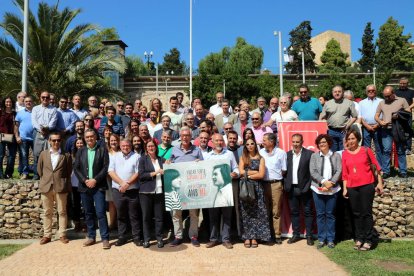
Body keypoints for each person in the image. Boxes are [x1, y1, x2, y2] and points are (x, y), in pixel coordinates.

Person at [342, 129, 384, 251]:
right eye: (348, 139)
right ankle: (359, 238)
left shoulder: (366, 150)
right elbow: (345, 173)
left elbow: (377, 167)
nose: (351, 141)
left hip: (367, 185)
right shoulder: (345, 154)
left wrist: (380, 183)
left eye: (353, 138)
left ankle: (368, 239)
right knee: (356, 214)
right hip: (351, 187)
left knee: (366, 213)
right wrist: (345, 188)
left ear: (358, 139)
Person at [74, 129, 110, 249]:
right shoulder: (81, 151)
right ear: (84, 138)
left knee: (100, 212)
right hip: (85, 187)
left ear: (95, 137)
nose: (90, 139)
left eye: (91, 136)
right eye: (87, 137)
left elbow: (105, 167)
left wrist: (95, 180)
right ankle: (91, 236)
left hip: (98, 186)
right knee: (88, 213)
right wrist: (85, 180)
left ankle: (105, 238)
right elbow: (76, 169)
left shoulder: (102, 150)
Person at [169, 127, 204, 247]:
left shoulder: (197, 150)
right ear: (180, 136)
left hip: (193, 187)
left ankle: (193, 236)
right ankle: (178, 236)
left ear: (191, 137)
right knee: (176, 213)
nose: (185, 137)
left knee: (194, 213)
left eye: (187, 135)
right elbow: (169, 165)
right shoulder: (174, 150)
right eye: (183, 135)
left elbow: (203, 167)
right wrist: (168, 163)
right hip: (177, 187)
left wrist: (200, 163)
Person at [205, 133, 239, 249]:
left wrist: (235, 173)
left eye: (221, 141)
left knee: (227, 216)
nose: (219, 143)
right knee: (213, 216)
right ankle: (213, 239)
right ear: (212, 142)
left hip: (227, 189)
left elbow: (235, 167)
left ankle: (226, 239)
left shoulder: (229, 154)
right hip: (212, 191)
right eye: (217, 141)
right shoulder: (207, 156)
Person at [37, 132, 72, 245]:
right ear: (49, 141)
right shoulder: (43, 154)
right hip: (46, 186)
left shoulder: (66, 155)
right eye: (54, 140)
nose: (56, 142)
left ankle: (62, 234)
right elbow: (39, 170)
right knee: (47, 212)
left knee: (62, 212)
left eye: (58, 140)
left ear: (61, 141)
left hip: (60, 187)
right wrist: (46, 179)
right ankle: (47, 235)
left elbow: (68, 171)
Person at [310, 134, 342, 249]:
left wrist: (330, 184)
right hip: (317, 190)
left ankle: (330, 239)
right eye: (320, 143)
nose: (321, 144)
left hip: (332, 190)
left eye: (324, 142)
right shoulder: (314, 156)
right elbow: (312, 172)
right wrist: (324, 182)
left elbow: (339, 171)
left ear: (329, 143)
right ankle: (321, 239)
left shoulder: (336, 155)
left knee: (330, 215)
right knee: (320, 215)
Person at [108, 138, 142, 247]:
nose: (125, 147)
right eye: (123, 146)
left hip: (132, 190)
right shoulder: (115, 156)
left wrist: (127, 183)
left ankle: (136, 237)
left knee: (134, 215)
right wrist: (122, 183)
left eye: (127, 145)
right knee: (121, 214)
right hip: (118, 190)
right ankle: (122, 237)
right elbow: (111, 171)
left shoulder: (136, 156)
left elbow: (138, 172)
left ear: (130, 146)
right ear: (120, 146)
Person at [239, 138, 271, 248]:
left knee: (257, 213)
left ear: (255, 145)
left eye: (252, 143)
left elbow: (261, 175)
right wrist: (253, 173)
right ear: (245, 146)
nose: (250, 146)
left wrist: (247, 175)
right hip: (246, 188)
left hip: (257, 188)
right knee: (246, 213)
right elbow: (241, 172)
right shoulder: (243, 157)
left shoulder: (261, 158)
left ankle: (255, 237)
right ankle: (247, 237)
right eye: (247, 144)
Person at [284, 133, 314, 245]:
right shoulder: (287, 155)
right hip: (291, 188)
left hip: (305, 189)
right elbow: (284, 172)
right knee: (294, 212)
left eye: (298, 142)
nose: (295, 144)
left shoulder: (309, 154)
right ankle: (296, 234)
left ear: (302, 142)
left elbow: (312, 173)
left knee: (308, 212)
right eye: (294, 142)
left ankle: (309, 236)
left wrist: (308, 187)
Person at [375, 86, 411, 178]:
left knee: (400, 150)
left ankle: (403, 171)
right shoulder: (381, 103)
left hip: (399, 129)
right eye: (385, 96)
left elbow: (408, 112)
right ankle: (386, 171)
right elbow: (376, 115)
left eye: (388, 96)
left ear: (393, 93)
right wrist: (380, 121)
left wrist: (399, 115)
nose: (386, 98)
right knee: (386, 150)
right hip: (386, 130)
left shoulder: (402, 100)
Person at [259, 133, 286, 244]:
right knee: (265, 210)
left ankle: (277, 235)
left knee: (276, 211)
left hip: (276, 185)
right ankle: (266, 234)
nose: (262, 142)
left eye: (264, 140)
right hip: (263, 184)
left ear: (272, 141)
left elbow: (284, 170)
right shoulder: (261, 152)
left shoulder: (281, 153)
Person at [139, 139, 166, 248]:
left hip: (159, 191)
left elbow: (169, 168)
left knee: (159, 216)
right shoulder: (143, 159)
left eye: (153, 146)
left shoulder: (161, 159)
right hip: (146, 192)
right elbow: (141, 175)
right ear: (146, 148)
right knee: (146, 217)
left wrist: (168, 164)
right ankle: (147, 239)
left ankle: (159, 238)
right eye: (149, 146)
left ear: (156, 147)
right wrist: (155, 172)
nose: (151, 148)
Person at [319, 85, 358, 151]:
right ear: (332, 93)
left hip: (344, 131)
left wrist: (347, 125)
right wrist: (325, 126)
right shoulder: (327, 104)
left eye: (339, 91)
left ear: (342, 92)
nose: (337, 93)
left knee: (345, 151)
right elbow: (321, 117)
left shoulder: (349, 103)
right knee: (333, 152)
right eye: (335, 92)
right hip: (331, 131)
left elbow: (355, 117)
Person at [32, 91, 58, 180]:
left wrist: (47, 129)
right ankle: (36, 174)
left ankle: (47, 175)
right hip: (38, 133)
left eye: (47, 97)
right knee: (36, 154)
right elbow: (34, 121)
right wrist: (41, 130)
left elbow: (53, 122)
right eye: (43, 97)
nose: (45, 99)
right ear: (40, 97)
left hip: (49, 133)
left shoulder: (54, 109)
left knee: (49, 154)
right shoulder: (35, 108)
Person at [359, 84, 383, 167]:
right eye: (369, 91)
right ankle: (368, 166)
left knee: (379, 148)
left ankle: (380, 167)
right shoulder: (362, 103)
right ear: (366, 92)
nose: (371, 92)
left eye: (373, 90)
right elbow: (360, 116)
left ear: (376, 91)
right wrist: (367, 126)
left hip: (378, 127)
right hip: (366, 128)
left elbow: (384, 115)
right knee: (366, 148)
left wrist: (377, 124)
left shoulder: (381, 101)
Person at [14, 96, 34, 180]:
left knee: (37, 156)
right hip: (23, 138)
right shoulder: (20, 113)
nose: (28, 103)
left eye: (29, 101)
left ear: (32, 102)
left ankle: (37, 173)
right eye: (26, 101)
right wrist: (17, 136)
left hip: (35, 138)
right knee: (24, 156)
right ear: (24, 103)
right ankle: (25, 173)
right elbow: (16, 126)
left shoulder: (36, 112)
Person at [70, 137, 85, 232]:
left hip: (84, 183)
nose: (79, 145)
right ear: (75, 145)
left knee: (85, 204)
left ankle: (85, 223)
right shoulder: (71, 156)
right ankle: (77, 223)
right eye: (78, 143)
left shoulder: (87, 154)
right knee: (75, 204)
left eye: (81, 143)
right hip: (74, 183)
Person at [395, 77, 414, 154]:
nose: (402, 85)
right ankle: (399, 148)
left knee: (408, 131)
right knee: (398, 131)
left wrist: (407, 108)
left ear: (407, 84)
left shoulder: (411, 92)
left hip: (407, 114)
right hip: (398, 114)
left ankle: (408, 148)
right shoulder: (395, 92)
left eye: (404, 83)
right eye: (401, 83)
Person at [0, 97, 17, 179]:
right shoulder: (1, 112)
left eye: (10, 102)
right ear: (4, 103)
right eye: (7, 102)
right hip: (1, 136)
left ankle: (8, 173)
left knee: (12, 156)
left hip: (12, 136)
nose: (8, 103)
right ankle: (0, 174)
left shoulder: (15, 114)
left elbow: (16, 125)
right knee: (1, 155)